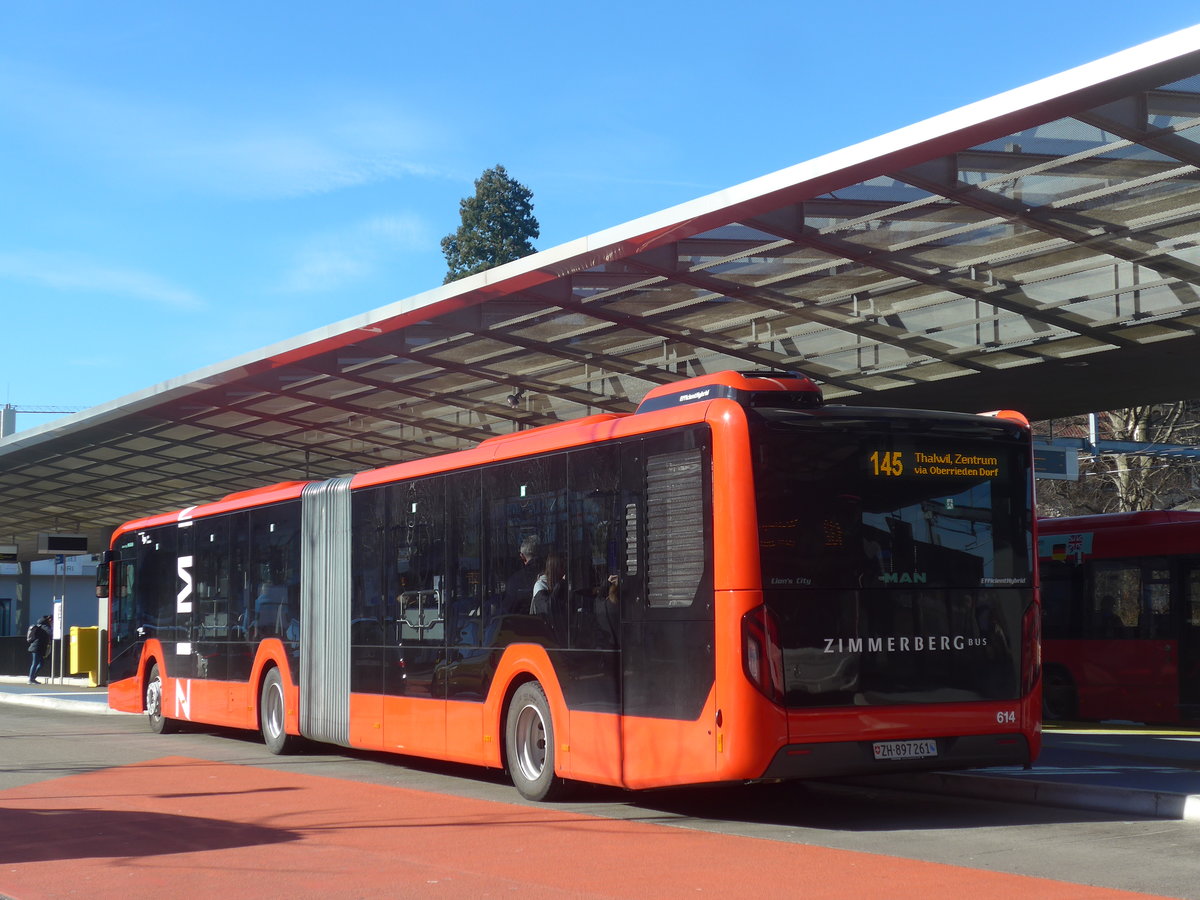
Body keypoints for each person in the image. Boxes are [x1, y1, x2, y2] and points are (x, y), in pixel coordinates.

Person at [26, 615, 51, 684]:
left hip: (38, 647)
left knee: (41, 663)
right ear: (49, 620)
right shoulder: (45, 626)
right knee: (35, 663)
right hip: (37, 647)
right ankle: (31, 679)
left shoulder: (40, 625)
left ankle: (32, 678)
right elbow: (50, 633)